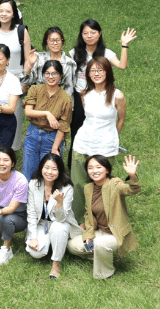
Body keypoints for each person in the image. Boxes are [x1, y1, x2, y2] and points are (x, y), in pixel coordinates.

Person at [67, 20, 135, 169]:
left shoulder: (106, 53)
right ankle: (75, 167)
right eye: (85, 33)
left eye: (93, 33)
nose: (89, 36)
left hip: (100, 94)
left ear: (100, 33)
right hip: (80, 96)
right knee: (77, 130)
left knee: (100, 126)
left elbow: (122, 65)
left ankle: (99, 164)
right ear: (81, 35)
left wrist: (124, 45)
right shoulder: (75, 53)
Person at [67, 155, 141, 280]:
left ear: (107, 170)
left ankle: (105, 274)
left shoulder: (115, 184)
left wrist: (132, 176)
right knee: (72, 245)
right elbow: (88, 215)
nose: (94, 171)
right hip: (99, 233)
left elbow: (132, 189)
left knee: (100, 244)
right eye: (90, 168)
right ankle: (103, 255)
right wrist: (89, 236)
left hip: (115, 235)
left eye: (98, 167)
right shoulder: (88, 188)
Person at [70, 59, 126, 218]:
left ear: (108, 72)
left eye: (100, 70)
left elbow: (121, 119)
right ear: (88, 74)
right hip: (83, 142)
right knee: (79, 184)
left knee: (102, 184)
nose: (97, 74)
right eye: (93, 71)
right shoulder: (85, 93)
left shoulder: (117, 95)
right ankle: (80, 219)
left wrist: (113, 136)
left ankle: (103, 219)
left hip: (105, 146)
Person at [0, 0, 31, 150]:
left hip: (14, 80)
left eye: (8, 11)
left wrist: (25, 80)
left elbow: (28, 59)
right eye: (1, 10)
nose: (4, 14)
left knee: (12, 116)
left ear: (14, 14)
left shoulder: (21, 31)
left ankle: (9, 153)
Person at [25, 153, 81, 279]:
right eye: (47, 167)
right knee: (36, 252)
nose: (50, 172)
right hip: (42, 224)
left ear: (60, 171)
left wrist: (59, 203)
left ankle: (56, 265)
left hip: (61, 223)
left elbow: (61, 219)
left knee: (58, 227)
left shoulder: (67, 188)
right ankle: (52, 243)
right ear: (41, 168)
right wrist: (33, 237)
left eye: (54, 169)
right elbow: (32, 213)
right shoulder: (34, 184)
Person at [21, 61, 72, 179]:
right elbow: (28, 111)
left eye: (54, 73)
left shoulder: (66, 98)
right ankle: (28, 197)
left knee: (49, 174)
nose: (51, 77)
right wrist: (47, 113)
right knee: (28, 172)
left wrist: (55, 148)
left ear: (61, 76)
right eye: (47, 73)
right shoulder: (35, 89)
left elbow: (63, 125)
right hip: (32, 134)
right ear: (43, 75)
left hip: (52, 137)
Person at [22, 27, 77, 94]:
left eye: (58, 40)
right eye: (51, 40)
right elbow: (26, 81)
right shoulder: (39, 58)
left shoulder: (69, 62)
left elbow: (69, 88)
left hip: (59, 100)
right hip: (40, 98)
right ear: (46, 43)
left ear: (62, 42)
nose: (55, 43)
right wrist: (30, 65)